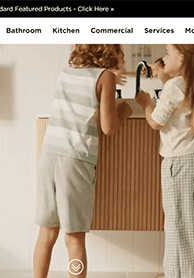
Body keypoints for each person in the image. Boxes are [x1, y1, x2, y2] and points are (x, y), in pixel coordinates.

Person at [34, 44, 133, 278]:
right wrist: (126, 110)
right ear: (111, 51)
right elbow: (109, 127)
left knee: (46, 234)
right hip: (75, 161)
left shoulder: (65, 73)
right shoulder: (105, 77)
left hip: (49, 156)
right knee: (74, 238)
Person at [136, 44, 194, 278]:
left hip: (178, 162)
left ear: (182, 58)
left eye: (169, 53)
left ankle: (179, 275)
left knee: (178, 223)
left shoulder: (173, 86)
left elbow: (156, 122)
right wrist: (162, 76)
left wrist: (145, 104)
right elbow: (175, 102)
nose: (165, 57)